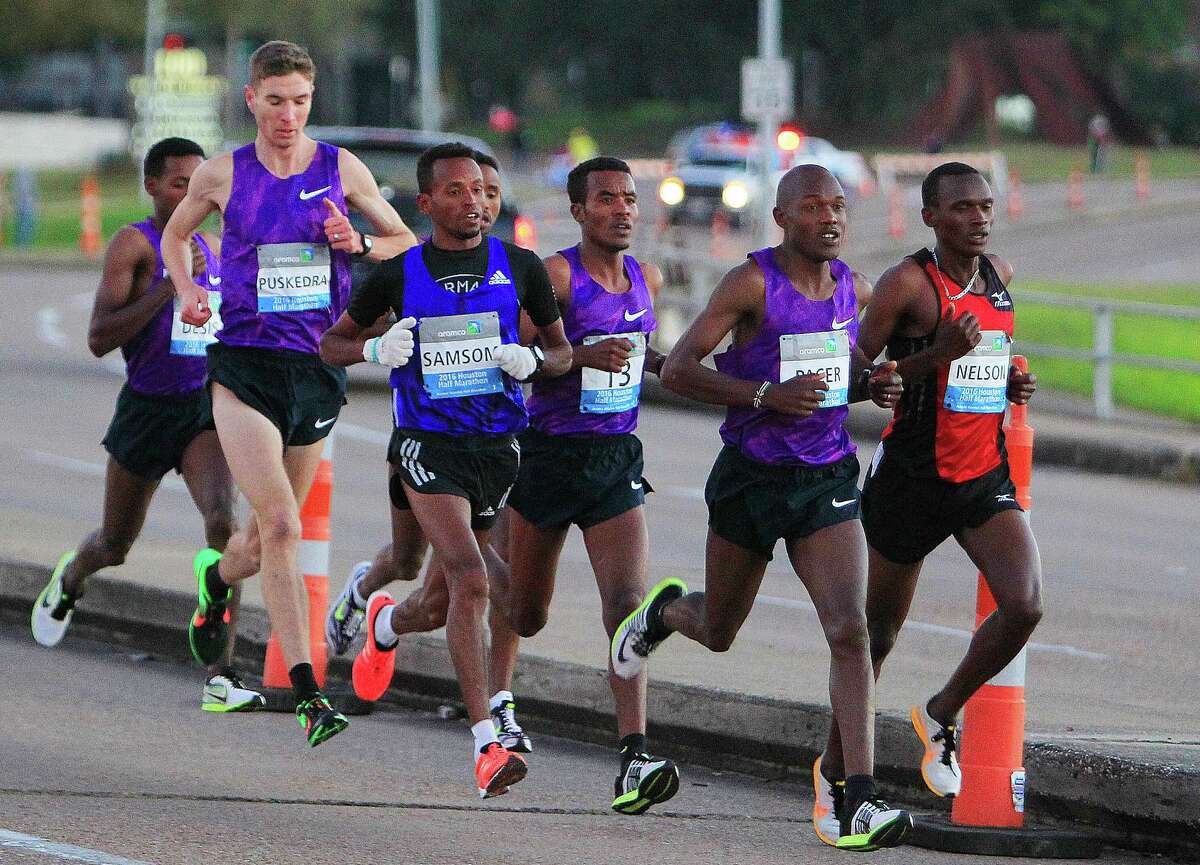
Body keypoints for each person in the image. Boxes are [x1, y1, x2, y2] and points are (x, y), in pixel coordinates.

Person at [609, 165, 912, 851]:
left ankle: (855, 796)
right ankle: (661, 612)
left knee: (850, 629)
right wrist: (763, 395)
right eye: (812, 207)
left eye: (837, 206)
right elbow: (680, 368)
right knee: (718, 627)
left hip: (825, 477)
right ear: (781, 219)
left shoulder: (852, 289)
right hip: (750, 476)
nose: (829, 218)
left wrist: (878, 387)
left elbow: (844, 378)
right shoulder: (751, 284)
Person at [161, 40, 418, 748]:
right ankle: (308, 690)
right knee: (280, 526)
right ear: (252, 100)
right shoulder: (223, 174)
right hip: (244, 367)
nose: (288, 115)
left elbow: (405, 242)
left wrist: (358, 243)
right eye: (275, 101)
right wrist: (187, 289)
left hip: (317, 367)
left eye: (300, 102)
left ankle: (217, 579)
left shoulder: (340, 168)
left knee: (254, 541)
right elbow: (176, 236)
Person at [319, 143, 571, 798]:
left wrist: (533, 362)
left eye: (484, 192)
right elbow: (332, 343)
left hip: (496, 447)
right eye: (457, 191)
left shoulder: (519, 266)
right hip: (425, 444)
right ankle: (487, 742)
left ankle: (380, 620)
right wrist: (376, 345)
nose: (476, 203)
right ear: (427, 203)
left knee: (420, 584)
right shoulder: (399, 273)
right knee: (471, 577)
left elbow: (563, 349)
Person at [829, 161, 1040, 801]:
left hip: (982, 474)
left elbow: (986, 360)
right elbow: (856, 370)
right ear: (930, 217)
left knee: (1025, 604)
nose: (978, 217)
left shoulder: (999, 275)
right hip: (911, 480)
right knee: (875, 636)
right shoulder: (906, 285)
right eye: (963, 208)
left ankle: (940, 713)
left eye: (985, 206)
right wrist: (927, 359)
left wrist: (1008, 382)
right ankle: (836, 773)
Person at [31, 138, 262, 713]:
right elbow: (98, 338)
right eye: (180, 183)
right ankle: (70, 580)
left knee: (222, 524)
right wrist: (170, 285)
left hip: (200, 411)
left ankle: (220, 670)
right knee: (115, 544)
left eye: (200, 182)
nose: (194, 193)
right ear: (154, 187)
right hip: (144, 408)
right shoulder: (134, 245)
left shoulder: (212, 246)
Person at [483, 156, 679, 814]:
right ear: (578, 211)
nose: (623, 208)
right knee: (527, 612)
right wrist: (576, 357)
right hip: (549, 456)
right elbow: (515, 361)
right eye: (606, 199)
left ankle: (633, 753)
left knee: (626, 603)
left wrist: (673, 364)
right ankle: (474, 559)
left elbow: (639, 352)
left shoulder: (641, 277)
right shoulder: (558, 275)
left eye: (628, 198)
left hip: (615, 458)